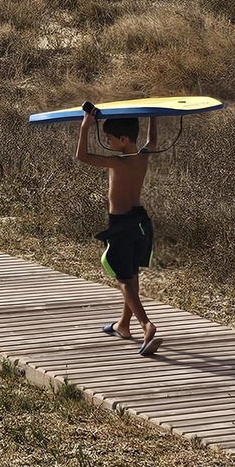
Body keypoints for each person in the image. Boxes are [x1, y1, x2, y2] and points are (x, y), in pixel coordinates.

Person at [76, 105, 162, 357]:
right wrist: (153, 115)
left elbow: (82, 156)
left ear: (123, 139)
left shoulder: (117, 162)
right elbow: (152, 140)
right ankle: (122, 325)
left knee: (122, 278)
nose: (107, 142)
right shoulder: (143, 156)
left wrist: (84, 127)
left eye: (109, 138)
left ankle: (146, 325)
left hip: (121, 225)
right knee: (131, 274)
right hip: (141, 223)